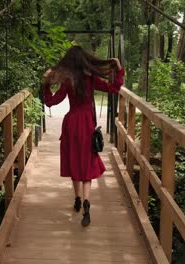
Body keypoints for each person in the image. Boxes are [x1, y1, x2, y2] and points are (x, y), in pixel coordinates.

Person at [42, 45, 124, 227]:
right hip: (86, 124)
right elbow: (114, 88)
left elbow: (50, 101)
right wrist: (118, 70)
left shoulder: (67, 81)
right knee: (86, 163)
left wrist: (46, 84)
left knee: (74, 160)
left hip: (71, 124)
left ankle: (77, 198)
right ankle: (86, 202)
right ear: (85, 60)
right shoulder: (91, 79)